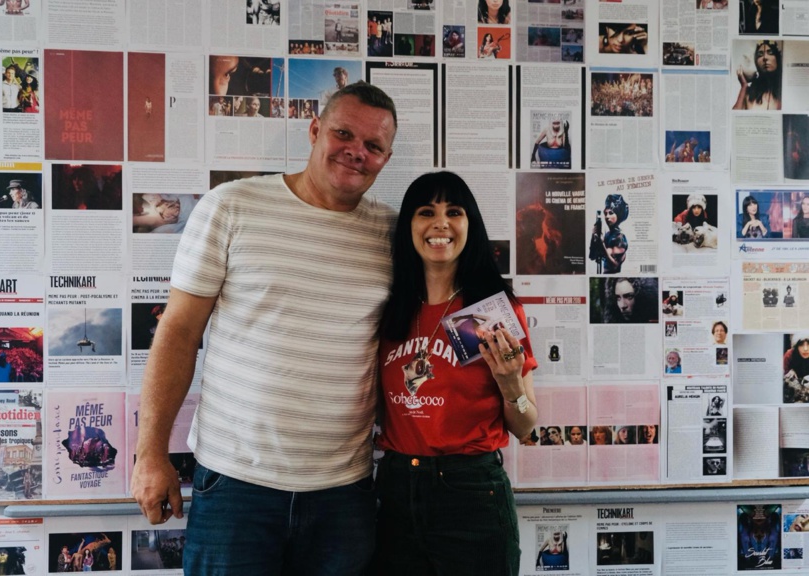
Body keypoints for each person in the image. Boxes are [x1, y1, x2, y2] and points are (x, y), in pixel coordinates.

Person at [130, 81, 397, 575]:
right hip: (236, 489)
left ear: (386, 157)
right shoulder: (232, 206)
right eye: (344, 133)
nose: (356, 152)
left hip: (344, 494)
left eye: (374, 146)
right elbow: (178, 333)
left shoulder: (390, 232)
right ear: (315, 130)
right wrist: (150, 454)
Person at [373, 171, 537, 576]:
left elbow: (526, 426)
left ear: (470, 225)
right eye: (426, 212)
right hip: (394, 488)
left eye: (454, 212)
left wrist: (510, 383)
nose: (440, 223)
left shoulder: (488, 312)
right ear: (409, 225)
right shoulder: (390, 308)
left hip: (470, 492)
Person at [733, 40, 782, 111]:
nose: (765, 57)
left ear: (777, 58)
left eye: (770, 53)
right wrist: (744, 86)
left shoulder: (784, 90)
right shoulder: (749, 93)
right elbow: (734, 116)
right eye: (760, 55)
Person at [589, 194, 629, 274]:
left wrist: (601, 244)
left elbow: (615, 265)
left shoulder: (620, 238)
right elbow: (592, 256)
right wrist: (594, 236)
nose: (607, 217)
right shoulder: (607, 235)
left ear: (618, 214)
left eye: (611, 213)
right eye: (606, 213)